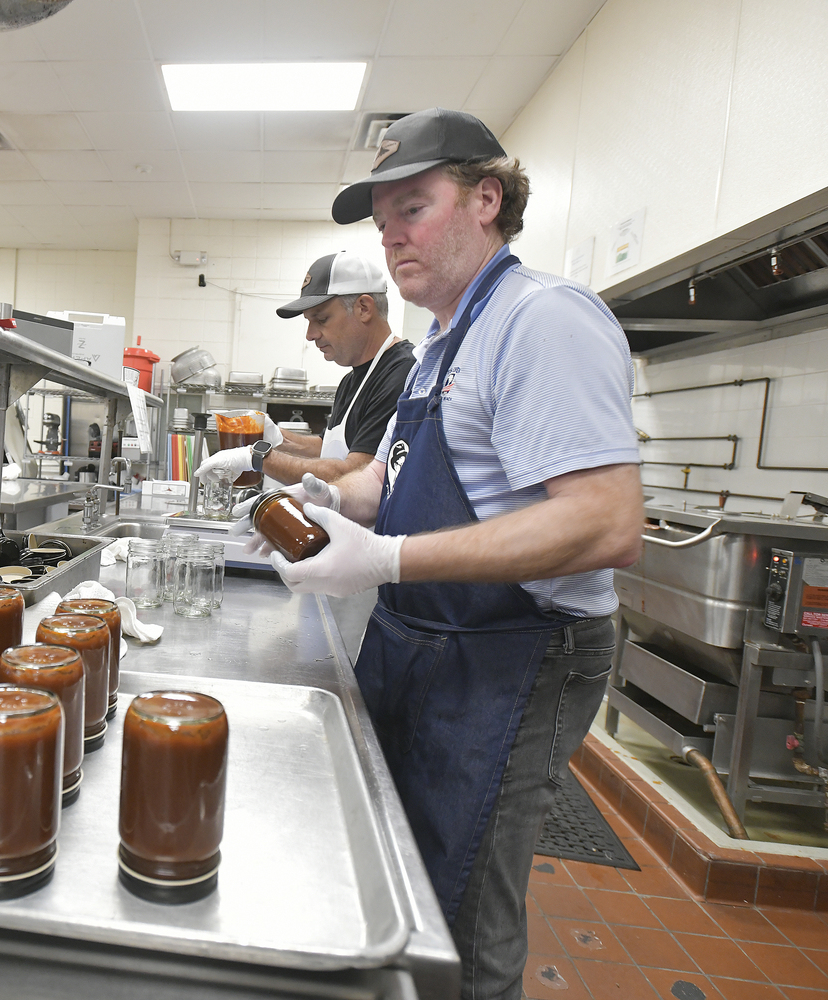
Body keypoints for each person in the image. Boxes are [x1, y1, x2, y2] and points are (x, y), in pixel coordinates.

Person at [237, 108, 643, 1000]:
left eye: (413, 210)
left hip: (516, 650)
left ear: (485, 199)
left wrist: (382, 563)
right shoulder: (438, 346)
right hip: (425, 635)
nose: (393, 240)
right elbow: (383, 484)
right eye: (384, 225)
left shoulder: (543, 320)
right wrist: (321, 500)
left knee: (463, 897)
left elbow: (606, 523)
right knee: (404, 862)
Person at [191, 252, 415, 488]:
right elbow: (327, 448)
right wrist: (278, 438)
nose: (310, 334)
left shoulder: (402, 375)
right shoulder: (352, 380)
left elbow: (356, 472)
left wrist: (258, 457)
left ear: (363, 308)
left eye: (321, 319)